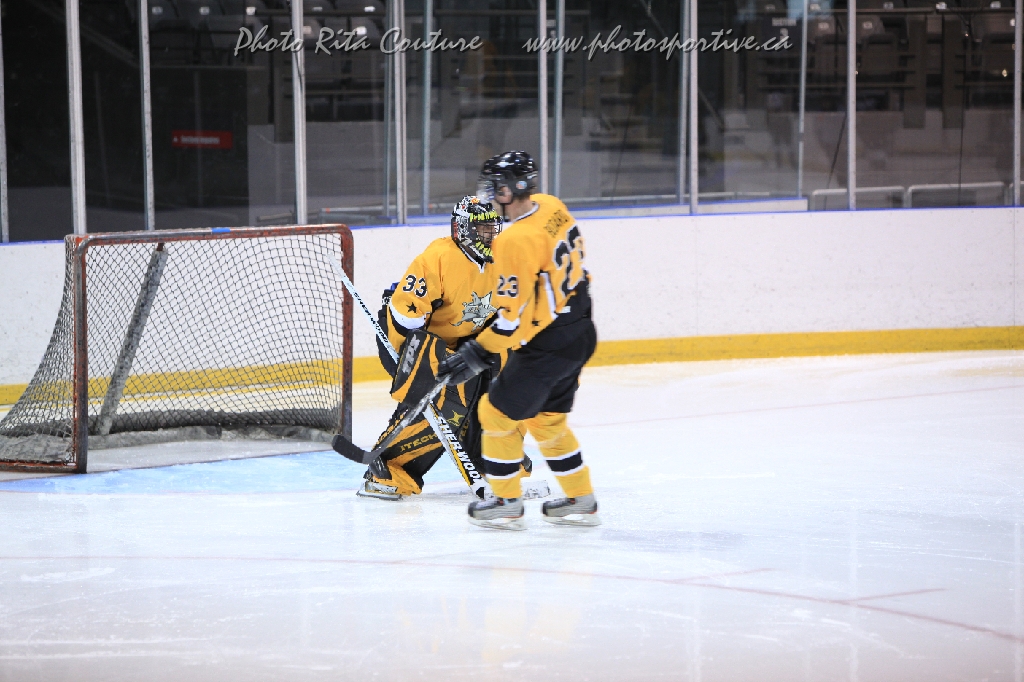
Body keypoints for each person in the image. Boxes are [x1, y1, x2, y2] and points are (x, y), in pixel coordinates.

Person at [436, 151, 600, 529]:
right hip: (580, 330)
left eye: (493, 186)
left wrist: (477, 351)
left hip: (548, 344)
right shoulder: (551, 206)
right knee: (547, 421)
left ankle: (506, 501)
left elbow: (511, 322)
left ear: (507, 190)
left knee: (494, 413)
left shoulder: (513, 241)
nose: (489, 193)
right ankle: (581, 496)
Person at [355, 196, 521, 501]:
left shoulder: (501, 260)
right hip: (410, 340)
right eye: (482, 229)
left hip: (460, 342)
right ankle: (389, 469)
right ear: (463, 229)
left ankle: (493, 460)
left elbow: (505, 313)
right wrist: (417, 367)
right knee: (448, 399)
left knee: (507, 370)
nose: (490, 235)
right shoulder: (438, 259)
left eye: (492, 228)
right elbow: (404, 320)